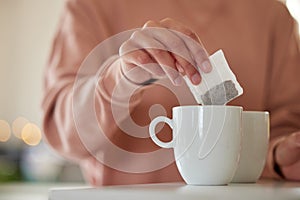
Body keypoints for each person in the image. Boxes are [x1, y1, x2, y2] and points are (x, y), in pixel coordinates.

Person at [42, 0, 300, 185]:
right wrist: (120, 79)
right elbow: (61, 132)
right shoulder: (92, 6)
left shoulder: (271, 15)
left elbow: (280, 133)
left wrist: (279, 157)